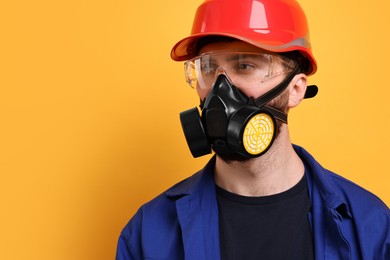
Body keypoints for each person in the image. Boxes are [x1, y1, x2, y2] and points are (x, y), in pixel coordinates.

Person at [116, 0, 390, 259]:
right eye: (208, 68)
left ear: (295, 89)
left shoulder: (371, 228)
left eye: (245, 65)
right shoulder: (148, 234)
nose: (220, 88)